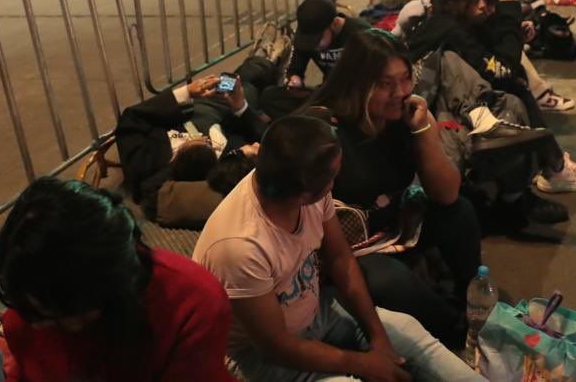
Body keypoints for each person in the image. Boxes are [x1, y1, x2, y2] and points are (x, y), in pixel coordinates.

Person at [192, 115, 482, 382]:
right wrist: (363, 363)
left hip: (315, 311)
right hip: (258, 355)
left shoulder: (300, 187)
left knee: (406, 331)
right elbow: (277, 347)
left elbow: (341, 260)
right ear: (305, 193)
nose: (335, 184)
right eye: (331, 178)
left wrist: (377, 336)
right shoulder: (239, 247)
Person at [305, 30, 480, 349]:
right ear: (358, 83)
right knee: (389, 281)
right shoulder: (322, 131)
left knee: (460, 212)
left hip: (392, 227)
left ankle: (473, 303)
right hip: (343, 246)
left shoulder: (402, 116)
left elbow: (447, 194)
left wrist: (424, 130)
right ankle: (455, 331)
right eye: (386, 84)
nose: (400, 92)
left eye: (405, 79)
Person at [0, 178, 234, 381]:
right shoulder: (27, 309)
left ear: (110, 293)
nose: (33, 324)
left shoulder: (193, 302)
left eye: (53, 317)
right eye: (27, 309)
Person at [404, 0, 576, 197]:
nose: (485, 6)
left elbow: (496, 61)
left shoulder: (455, 22)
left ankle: (546, 171)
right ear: (458, 0)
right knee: (515, 91)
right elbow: (502, 70)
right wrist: (509, 15)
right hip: (424, 113)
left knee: (516, 91)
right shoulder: (447, 28)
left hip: (440, 107)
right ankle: (553, 168)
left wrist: (513, 32)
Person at [116, 56, 277, 220]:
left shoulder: (146, 161)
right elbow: (273, 143)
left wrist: (187, 91)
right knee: (254, 81)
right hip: (234, 114)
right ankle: (270, 60)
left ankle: (262, 59)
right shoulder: (225, 167)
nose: (202, 141)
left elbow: (131, 118)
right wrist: (241, 107)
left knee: (237, 77)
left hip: (195, 108)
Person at [482, 0, 576, 112]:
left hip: (496, 17)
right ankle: (540, 94)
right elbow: (497, 1)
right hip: (485, 25)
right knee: (511, 39)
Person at [260, 0, 371, 119]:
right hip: (325, 95)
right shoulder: (307, 36)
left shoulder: (361, 35)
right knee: (269, 97)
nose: (314, 45)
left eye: (318, 39)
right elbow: (296, 68)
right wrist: (295, 79)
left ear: (334, 24)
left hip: (356, 98)